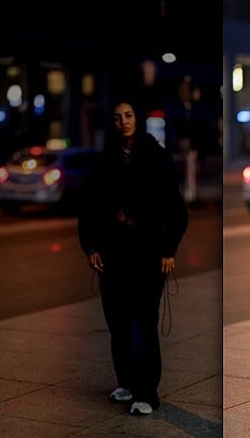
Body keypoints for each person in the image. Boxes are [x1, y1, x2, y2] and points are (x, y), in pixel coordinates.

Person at [77, 98, 189, 416]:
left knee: (143, 323)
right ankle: (126, 382)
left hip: (147, 254)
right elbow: (88, 207)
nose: (123, 121)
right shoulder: (106, 159)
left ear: (137, 118)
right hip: (112, 255)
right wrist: (91, 246)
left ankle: (147, 393)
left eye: (128, 115)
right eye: (117, 117)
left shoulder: (156, 156)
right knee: (118, 322)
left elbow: (176, 210)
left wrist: (168, 249)